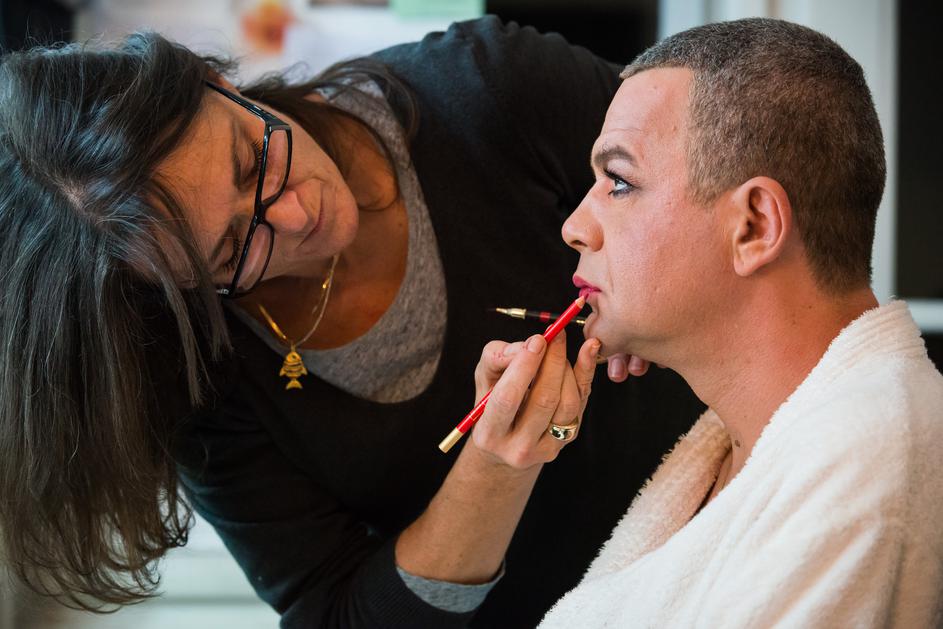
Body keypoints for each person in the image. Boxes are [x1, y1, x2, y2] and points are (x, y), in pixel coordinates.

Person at [0, 16, 704, 628]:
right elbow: (341, 616)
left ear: (217, 83)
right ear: (175, 291)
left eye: (252, 160)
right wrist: (493, 468)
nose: (294, 213)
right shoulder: (208, 393)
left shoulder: (487, 88)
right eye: (233, 249)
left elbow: (721, 176)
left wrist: (664, 293)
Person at [462, 17, 943, 627]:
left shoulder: (858, 465)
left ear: (754, 227)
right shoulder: (765, 446)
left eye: (619, 182)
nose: (574, 227)